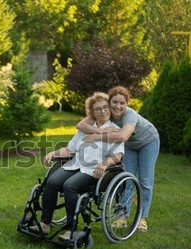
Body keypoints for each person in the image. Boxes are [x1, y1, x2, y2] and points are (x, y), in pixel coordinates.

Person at [30, 92, 124, 240]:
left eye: (105, 107)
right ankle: (45, 224)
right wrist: (53, 153)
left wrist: (104, 164)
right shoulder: (85, 128)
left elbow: (118, 154)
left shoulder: (115, 130)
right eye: (98, 108)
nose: (103, 111)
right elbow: (69, 150)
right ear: (92, 112)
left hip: (95, 170)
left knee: (69, 186)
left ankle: (70, 229)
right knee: (52, 182)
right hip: (76, 165)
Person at [76, 86, 160, 232]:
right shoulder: (107, 112)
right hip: (129, 146)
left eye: (122, 103)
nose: (118, 106)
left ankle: (142, 218)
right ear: (109, 102)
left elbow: (122, 136)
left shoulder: (129, 115)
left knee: (145, 181)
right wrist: (100, 130)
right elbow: (80, 125)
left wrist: (97, 136)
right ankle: (122, 216)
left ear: (127, 104)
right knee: (127, 179)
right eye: (115, 102)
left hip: (148, 142)